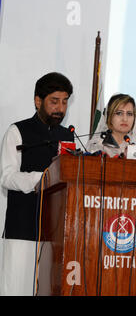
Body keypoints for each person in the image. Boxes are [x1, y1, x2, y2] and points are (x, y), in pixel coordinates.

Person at [0, 72, 74, 295]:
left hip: (55, 234)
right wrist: (40, 179)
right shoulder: (17, 131)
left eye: (64, 102)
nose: (60, 108)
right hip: (22, 228)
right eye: (54, 101)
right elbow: (6, 176)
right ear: (38, 101)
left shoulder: (68, 136)